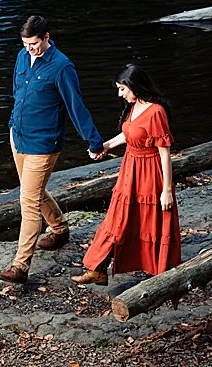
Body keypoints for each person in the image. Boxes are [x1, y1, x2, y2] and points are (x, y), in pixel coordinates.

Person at [0, 15, 106, 284]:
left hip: (43, 144)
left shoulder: (61, 67)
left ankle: (20, 266)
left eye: (34, 43)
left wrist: (93, 141)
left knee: (28, 201)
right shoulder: (22, 57)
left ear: (46, 37)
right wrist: (13, 122)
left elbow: (75, 107)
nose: (29, 49)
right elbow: (17, 92)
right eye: (25, 44)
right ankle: (59, 229)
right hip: (18, 136)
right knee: (32, 189)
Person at [71, 63, 181, 286]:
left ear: (135, 86)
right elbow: (129, 134)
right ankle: (98, 268)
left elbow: (164, 154)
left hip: (149, 174)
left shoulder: (156, 112)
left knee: (147, 221)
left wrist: (167, 191)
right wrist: (105, 146)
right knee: (117, 219)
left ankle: (157, 273)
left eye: (122, 89)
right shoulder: (134, 105)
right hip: (130, 170)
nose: (120, 94)